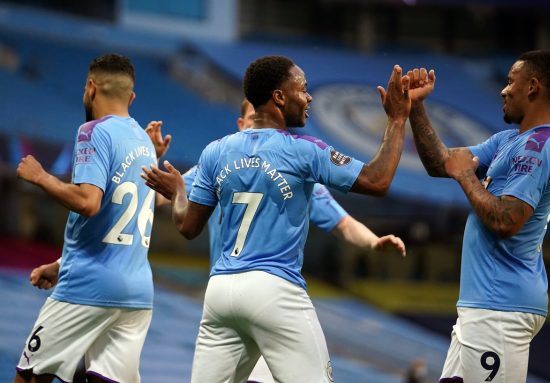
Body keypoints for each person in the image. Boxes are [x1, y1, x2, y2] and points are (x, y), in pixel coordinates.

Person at [142, 55, 411, 382]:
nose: (309, 97)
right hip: (273, 289)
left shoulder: (215, 151)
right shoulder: (305, 151)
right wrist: (397, 119)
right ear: (279, 97)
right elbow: (377, 180)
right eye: (303, 89)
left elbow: (186, 227)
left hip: (220, 292)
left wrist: (180, 194)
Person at [406, 49, 550, 382]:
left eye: (510, 82)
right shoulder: (510, 140)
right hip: (487, 307)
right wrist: (416, 107)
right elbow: (443, 163)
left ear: (533, 87)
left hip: (500, 309)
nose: (503, 90)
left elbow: (506, 221)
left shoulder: (538, 148)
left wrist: (467, 177)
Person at [14, 53, 160, 383]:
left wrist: (40, 176)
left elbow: (89, 203)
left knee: (31, 376)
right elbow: (114, 223)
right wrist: (61, 263)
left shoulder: (93, 132)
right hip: (136, 295)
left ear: (90, 87)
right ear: (132, 97)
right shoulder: (144, 143)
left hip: (87, 288)